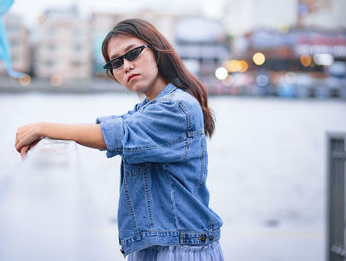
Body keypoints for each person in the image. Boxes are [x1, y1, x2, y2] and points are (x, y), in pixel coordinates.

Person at [15, 18, 224, 260]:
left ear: (156, 50)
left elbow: (113, 135)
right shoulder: (147, 108)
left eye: (133, 53)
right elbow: (111, 126)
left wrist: (43, 128)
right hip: (155, 246)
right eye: (115, 62)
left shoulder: (178, 106)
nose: (126, 66)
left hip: (182, 249)